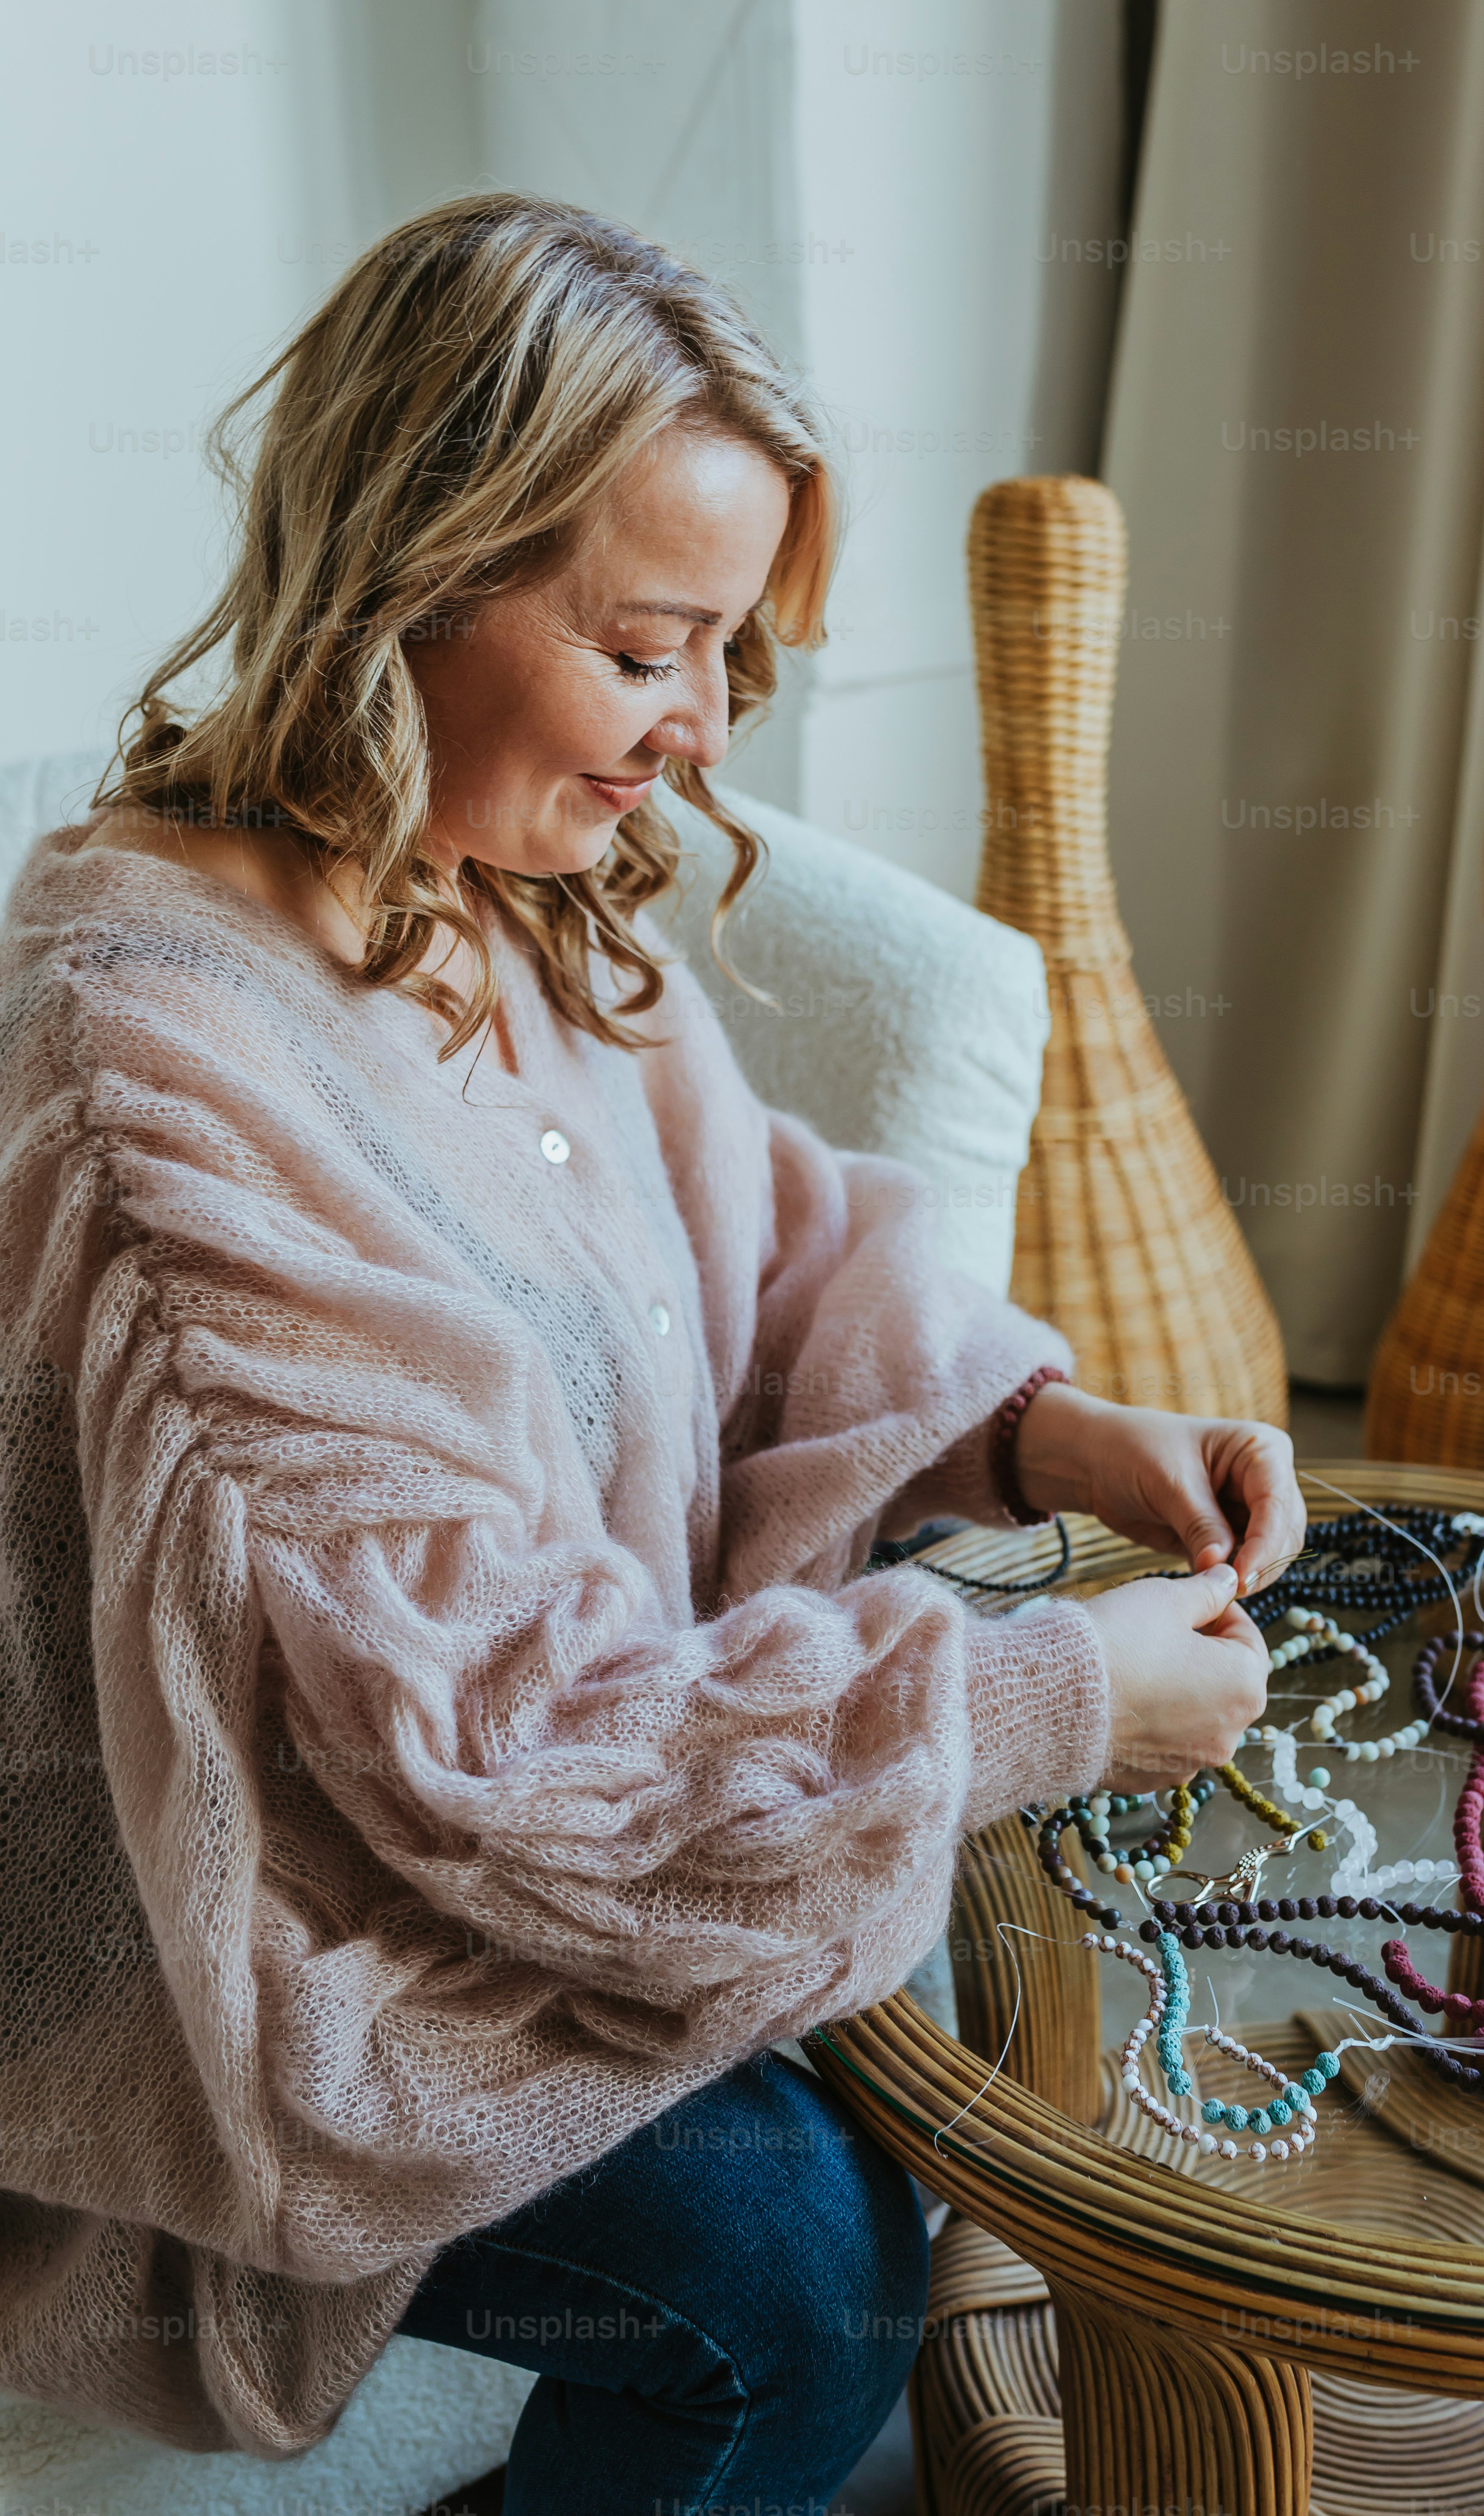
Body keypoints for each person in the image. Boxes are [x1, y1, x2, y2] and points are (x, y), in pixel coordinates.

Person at [0, 195, 1300, 2513]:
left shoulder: (484, 883)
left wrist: (1040, 1428)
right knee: (807, 2278)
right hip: (266, 1947)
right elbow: (483, 1728)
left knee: (918, 2031)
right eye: (646, 649)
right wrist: (1046, 1695)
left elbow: (763, 1237)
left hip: (512, 1793)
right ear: (413, 573)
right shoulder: (163, 1069)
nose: (697, 741)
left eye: (727, 659)